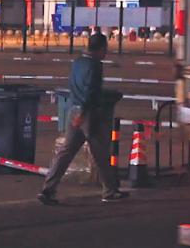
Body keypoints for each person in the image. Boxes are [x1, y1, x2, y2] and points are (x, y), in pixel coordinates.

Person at [38, 32, 129, 204]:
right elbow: (91, 91)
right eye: (105, 49)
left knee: (65, 152)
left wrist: (77, 111)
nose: (106, 53)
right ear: (100, 48)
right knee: (101, 153)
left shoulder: (77, 62)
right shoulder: (95, 66)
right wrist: (84, 112)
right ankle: (109, 191)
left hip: (73, 110)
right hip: (89, 114)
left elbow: (73, 85)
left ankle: (48, 189)